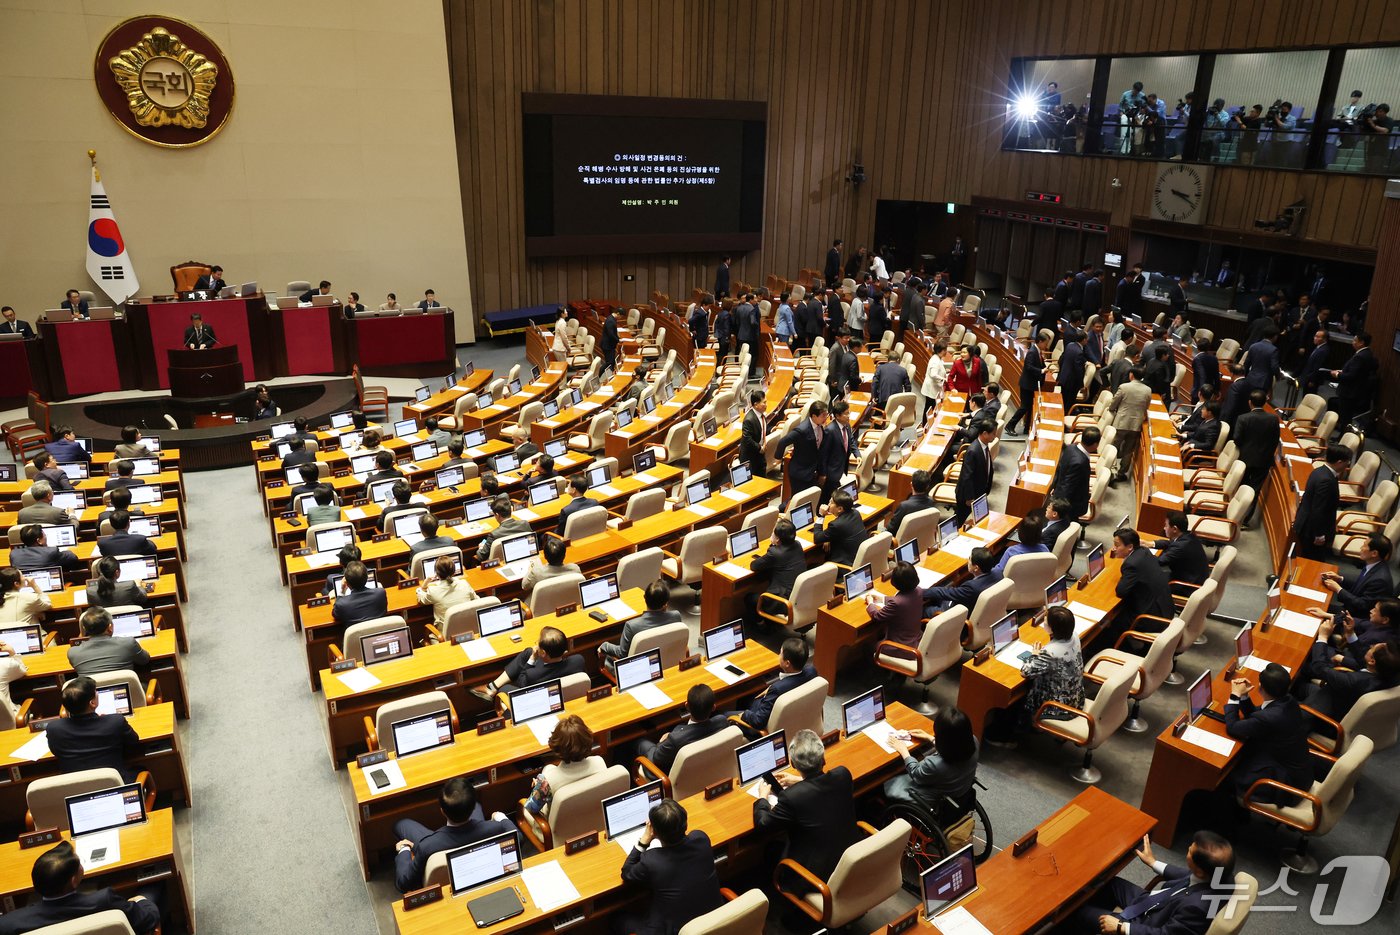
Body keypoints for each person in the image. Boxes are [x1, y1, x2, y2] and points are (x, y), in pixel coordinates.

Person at [1074, 831, 1237, 935]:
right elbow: (1188, 875)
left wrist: (1121, 927)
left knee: (1077, 911)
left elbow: (1165, 934)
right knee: (1107, 882)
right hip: (1154, 902)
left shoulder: (1196, 908)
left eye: (1189, 851)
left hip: (1145, 923)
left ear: (1201, 870)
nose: (1187, 850)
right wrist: (1153, 863)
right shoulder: (1221, 874)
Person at [753, 728, 858, 882]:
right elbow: (822, 786)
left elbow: (763, 824)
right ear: (823, 760)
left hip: (817, 876)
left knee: (771, 848)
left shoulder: (791, 797)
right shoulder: (843, 774)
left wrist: (762, 797)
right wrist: (800, 781)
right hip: (852, 858)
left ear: (793, 764)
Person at [0, 840, 161, 935]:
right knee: (153, 884)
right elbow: (147, 920)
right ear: (73, 880)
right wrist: (141, 900)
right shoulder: (104, 900)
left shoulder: (9, 924)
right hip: (139, 913)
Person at [618, 798, 723, 935]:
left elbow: (627, 872)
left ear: (654, 832)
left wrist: (644, 841)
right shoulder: (701, 839)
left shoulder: (652, 861)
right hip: (715, 920)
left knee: (618, 920)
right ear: (685, 824)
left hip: (675, 930)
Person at [393, 777, 512, 894]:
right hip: (477, 837)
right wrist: (501, 817)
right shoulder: (496, 828)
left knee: (401, 824)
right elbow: (519, 838)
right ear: (472, 808)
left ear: (442, 811)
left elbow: (403, 883)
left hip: (440, 844)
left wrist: (404, 849)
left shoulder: (426, 846)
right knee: (479, 807)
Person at [1225, 663, 1311, 802]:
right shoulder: (1289, 701)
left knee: (1227, 775)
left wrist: (1234, 696)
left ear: (1260, 687)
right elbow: (1257, 717)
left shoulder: (1270, 717)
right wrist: (1244, 696)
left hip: (1286, 786)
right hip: (1301, 774)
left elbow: (1233, 727)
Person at [884, 706, 978, 815]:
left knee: (889, 783)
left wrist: (903, 750)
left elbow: (915, 773)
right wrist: (930, 738)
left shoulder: (935, 764)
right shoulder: (973, 741)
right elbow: (955, 746)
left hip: (934, 797)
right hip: (961, 789)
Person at [45, 676, 142, 780]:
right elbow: (133, 741)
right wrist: (108, 721)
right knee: (140, 768)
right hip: (115, 784)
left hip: (77, 789)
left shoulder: (54, 728)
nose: (97, 693)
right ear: (92, 703)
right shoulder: (115, 722)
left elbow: (56, 751)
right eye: (96, 692)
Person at [1305, 621, 1400, 722]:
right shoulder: (1390, 671)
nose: (1370, 646)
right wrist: (1350, 634)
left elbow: (1319, 668)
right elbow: (1363, 660)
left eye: (1372, 648)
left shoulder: (1353, 681)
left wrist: (1322, 637)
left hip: (1323, 713)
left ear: (1372, 661)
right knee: (1304, 674)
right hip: (1342, 698)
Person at [731, 638, 817, 738]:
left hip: (761, 722)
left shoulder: (777, 689)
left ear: (787, 663)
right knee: (744, 698)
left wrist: (745, 715)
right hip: (793, 716)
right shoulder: (812, 671)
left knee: (723, 715)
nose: (779, 656)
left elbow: (759, 721)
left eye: (780, 653)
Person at [524, 714, 606, 820]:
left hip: (555, 832)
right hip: (594, 823)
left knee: (523, 811)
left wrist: (538, 789)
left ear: (556, 747)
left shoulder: (547, 779)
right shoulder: (599, 762)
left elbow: (531, 809)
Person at [636, 683, 729, 774]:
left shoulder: (675, 739)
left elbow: (656, 758)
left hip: (671, 774)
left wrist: (661, 742)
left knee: (640, 742)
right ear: (713, 707)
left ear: (687, 706)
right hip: (710, 769)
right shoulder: (722, 722)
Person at [476, 625, 587, 699]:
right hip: (557, 678)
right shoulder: (579, 660)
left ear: (542, 653)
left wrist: (532, 659)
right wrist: (531, 655)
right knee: (528, 651)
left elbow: (521, 684)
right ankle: (492, 687)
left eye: (537, 642)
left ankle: (494, 689)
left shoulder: (532, 675)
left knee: (504, 688)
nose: (536, 644)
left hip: (538, 697)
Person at [599, 580, 680, 663]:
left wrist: (605, 646)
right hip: (670, 661)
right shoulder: (676, 616)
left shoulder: (631, 626)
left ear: (644, 598)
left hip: (642, 667)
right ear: (666, 603)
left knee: (608, 659)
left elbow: (622, 654)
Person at [1293, 446, 1350, 560]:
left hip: (1305, 523)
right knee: (1312, 560)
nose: (1347, 466)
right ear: (1339, 462)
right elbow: (1318, 510)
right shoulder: (1327, 480)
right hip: (1312, 531)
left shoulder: (1319, 471)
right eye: (1347, 463)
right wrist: (1319, 535)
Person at [1233, 391, 1280, 528]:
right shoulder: (1273, 419)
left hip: (1245, 459)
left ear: (1249, 402)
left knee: (1242, 486)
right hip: (1264, 460)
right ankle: (1246, 519)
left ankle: (1236, 514)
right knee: (1255, 490)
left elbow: (1237, 439)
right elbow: (1275, 440)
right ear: (1265, 403)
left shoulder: (1243, 418)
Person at [1113, 528, 1174, 632]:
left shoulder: (1131, 564)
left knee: (1113, 621)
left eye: (1117, 545)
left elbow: (1121, 591)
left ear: (1130, 547)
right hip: (1166, 609)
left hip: (1151, 619)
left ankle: (1130, 646)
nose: (1113, 548)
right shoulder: (1144, 550)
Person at [1319, 534, 1393, 617]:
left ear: (1374, 553)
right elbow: (1362, 585)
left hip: (1355, 617)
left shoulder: (1380, 580)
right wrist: (1340, 579)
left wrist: (1338, 589)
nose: (1361, 548)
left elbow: (1363, 605)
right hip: (1351, 608)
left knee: (1314, 608)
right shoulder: (1374, 565)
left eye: (1364, 545)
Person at [67, 607, 150, 675]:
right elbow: (144, 660)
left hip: (91, 694)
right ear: (110, 627)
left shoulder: (73, 653)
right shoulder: (128, 643)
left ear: (84, 629)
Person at [922, 548, 1001, 615]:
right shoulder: (999, 574)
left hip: (955, 613)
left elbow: (945, 593)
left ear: (976, 568)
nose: (968, 561)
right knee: (940, 591)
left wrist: (921, 592)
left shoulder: (972, 587)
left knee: (924, 609)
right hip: (981, 610)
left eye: (970, 559)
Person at [776, 399, 831, 495]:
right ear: (814, 416)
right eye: (823, 416)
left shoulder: (820, 426)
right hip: (800, 473)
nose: (826, 418)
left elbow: (819, 450)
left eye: (826, 415)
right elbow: (783, 442)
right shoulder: (802, 430)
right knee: (798, 501)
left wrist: (822, 473)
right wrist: (779, 458)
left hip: (812, 471)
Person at [865, 561, 925, 648]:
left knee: (867, 647)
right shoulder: (919, 591)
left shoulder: (897, 603)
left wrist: (870, 603)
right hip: (916, 641)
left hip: (901, 647)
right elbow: (904, 599)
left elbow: (877, 616)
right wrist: (881, 599)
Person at [1106, 368, 1151, 485]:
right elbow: (1146, 406)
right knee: (1128, 450)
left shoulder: (1124, 387)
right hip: (1136, 425)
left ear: (1131, 375)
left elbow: (1114, 403)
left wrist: (1111, 409)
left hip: (1121, 423)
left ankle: (1109, 471)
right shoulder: (1148, 390)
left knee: (1113, 448)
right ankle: (1121, 473)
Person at [1328, 331, 1377, 431]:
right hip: (1355, 391)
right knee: (1346, 416)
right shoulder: (1367, 353)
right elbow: (1358, 372)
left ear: (1361, 343)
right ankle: (1341, 436)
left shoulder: (1360, 356)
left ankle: (1342, 438)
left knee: (1345, 417)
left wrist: (1337, 374)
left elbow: (1351, 376)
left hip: (1349, 392)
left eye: (1355, 340)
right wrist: (1343, 371)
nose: (1352, 342)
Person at [415, 554, 476, 627]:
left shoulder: (433, 591)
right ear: (454, 571)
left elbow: (421, 599)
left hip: (445, 634)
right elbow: (476, 600)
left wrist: (423, 587)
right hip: (468, 627)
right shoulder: (464, 584)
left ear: (437, 574)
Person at [953, 421, 995, 525]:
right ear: (985, 433)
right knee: (960, 519)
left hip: (980, 491)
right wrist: (969, 497)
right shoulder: (973, 450)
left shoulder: (984, 446)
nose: (995, 436)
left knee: (980, 520)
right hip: (968, 495)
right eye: (993, 433)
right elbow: (967, 476)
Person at [1050, 426, 1097, 519]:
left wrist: (1054, 487)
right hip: (1072, 505)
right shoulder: (1080, 462)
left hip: (1061, 491)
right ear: (1095, 444)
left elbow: (1059, 469)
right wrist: (1059, 509)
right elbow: (1068, 486)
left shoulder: (1070, 447)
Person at [1153, 511, 1209, 586]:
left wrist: (1141, 552)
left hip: (1187, 586)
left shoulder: (1180, 547)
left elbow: (1159, 562)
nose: (1164, 528)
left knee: (1148, 578)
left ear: (1175, 529)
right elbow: (1171, 543)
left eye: (1166, 525)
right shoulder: (1189, 536)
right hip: (1194, 578)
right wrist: (1151, 543)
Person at [814, 490, 864, 567]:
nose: (828, 505)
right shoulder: (856, 513)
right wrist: (829, 538)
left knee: (813, 565)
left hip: (845, 565)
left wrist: (821, 515)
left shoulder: (836, 525)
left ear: (840, 509)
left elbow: (817, 538)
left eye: (831, 502)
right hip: (859, 558)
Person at [331, 561, 388, 626]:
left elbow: (335, 614)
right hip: (380, 634)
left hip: (357, 636)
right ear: (366, 579)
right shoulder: (381, 593)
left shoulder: (341, 604)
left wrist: (342, 591)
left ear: (347, 583)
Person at [477, 494, 531, 562]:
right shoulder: (525, 524)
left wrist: (481, 548)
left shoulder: (494, 534)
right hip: (525, 558)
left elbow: (481, 556)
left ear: (497, 515)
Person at [11, 524, 81, 573]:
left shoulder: (14, 554)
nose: (46, 537)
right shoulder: (51, 552)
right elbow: (73, 557)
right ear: (39, 541)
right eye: (45, 535)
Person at [888, 470, 935, 538]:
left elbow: (891, 529)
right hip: (922, 538)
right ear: (927, 486)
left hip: (902, 541)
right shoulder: (931, 502)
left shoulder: (904, 506)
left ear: (911, 484)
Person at [738, 390, 767, 477]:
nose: (766, 405)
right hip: (750, 458)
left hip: (760, 456)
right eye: (764, 403)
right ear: (756, 404)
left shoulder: (762, 415)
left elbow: (762, 432)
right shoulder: (749, 420)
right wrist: (760, 448)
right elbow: (747, 440)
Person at [1057, 328, 1087, 411]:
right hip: (1071, 383)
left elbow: (1062, 360)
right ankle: (1065, 417)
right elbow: (1079, 371)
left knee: (1062, 400)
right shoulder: (1079, 352)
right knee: (1068, 403)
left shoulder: (1070, 345)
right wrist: (1081, 385)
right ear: (1084, 339)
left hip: (1063, 378)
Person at [600, 305, 621, 372]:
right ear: (618, 314)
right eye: (621, 316)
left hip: (608, 344)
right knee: (609, 362)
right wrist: (618, 340)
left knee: (611, 362)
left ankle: (612, 375)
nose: (620, 318)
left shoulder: (611, 318)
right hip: (607, 345)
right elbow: (611, 334)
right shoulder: (610, 321)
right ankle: (598, 374)